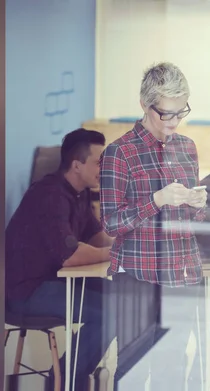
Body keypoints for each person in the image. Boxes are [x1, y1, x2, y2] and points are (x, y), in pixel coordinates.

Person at [100, 62, 208, 391]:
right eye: (167, 114)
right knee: (133, 368)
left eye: (181, 112)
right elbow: (111, 222)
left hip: (183, 273)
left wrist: (198, 205)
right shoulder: (118, 154)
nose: (174, 122)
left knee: (173, 365)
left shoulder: (187, 147)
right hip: (137, 277)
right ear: (145, 106)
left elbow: (192, 220)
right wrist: (156, 200)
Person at [5, 129, 115, 391]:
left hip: (52, 282)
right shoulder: (50, 196)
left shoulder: (78, 192)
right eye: (100, 162)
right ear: (77, 165)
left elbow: (95, 235)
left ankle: (67, 377)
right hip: (25, 293)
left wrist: (127, 244)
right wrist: (117, 253)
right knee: (110, 314)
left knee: (119, 298)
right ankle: (63, 381)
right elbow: (71, 256)